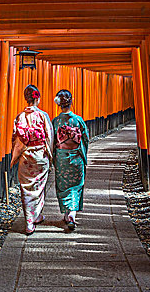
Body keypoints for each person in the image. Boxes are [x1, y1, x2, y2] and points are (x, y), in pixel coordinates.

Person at [11, 85, 54, 235]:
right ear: (37, 98)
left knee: (26, 188)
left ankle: (30, 220)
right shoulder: (43, 116)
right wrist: (50, 154)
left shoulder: (19, 117)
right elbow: (49, 135)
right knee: (39, 186)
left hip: (25, 156)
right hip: (40, 155)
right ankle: (35, 215)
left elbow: (15, 138)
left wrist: (15, 156)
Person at [52, 89, 89, 230]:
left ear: (59, 104)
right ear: (71, 102)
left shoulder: (56, 122)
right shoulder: (78, 120)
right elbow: (85, 139)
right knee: (76, 185)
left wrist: (54, 157)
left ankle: (68, 213)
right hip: (76, 156)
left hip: (62, 157)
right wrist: (83, 155)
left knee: (63, 185)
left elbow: (52, 141)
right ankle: (72, 213)